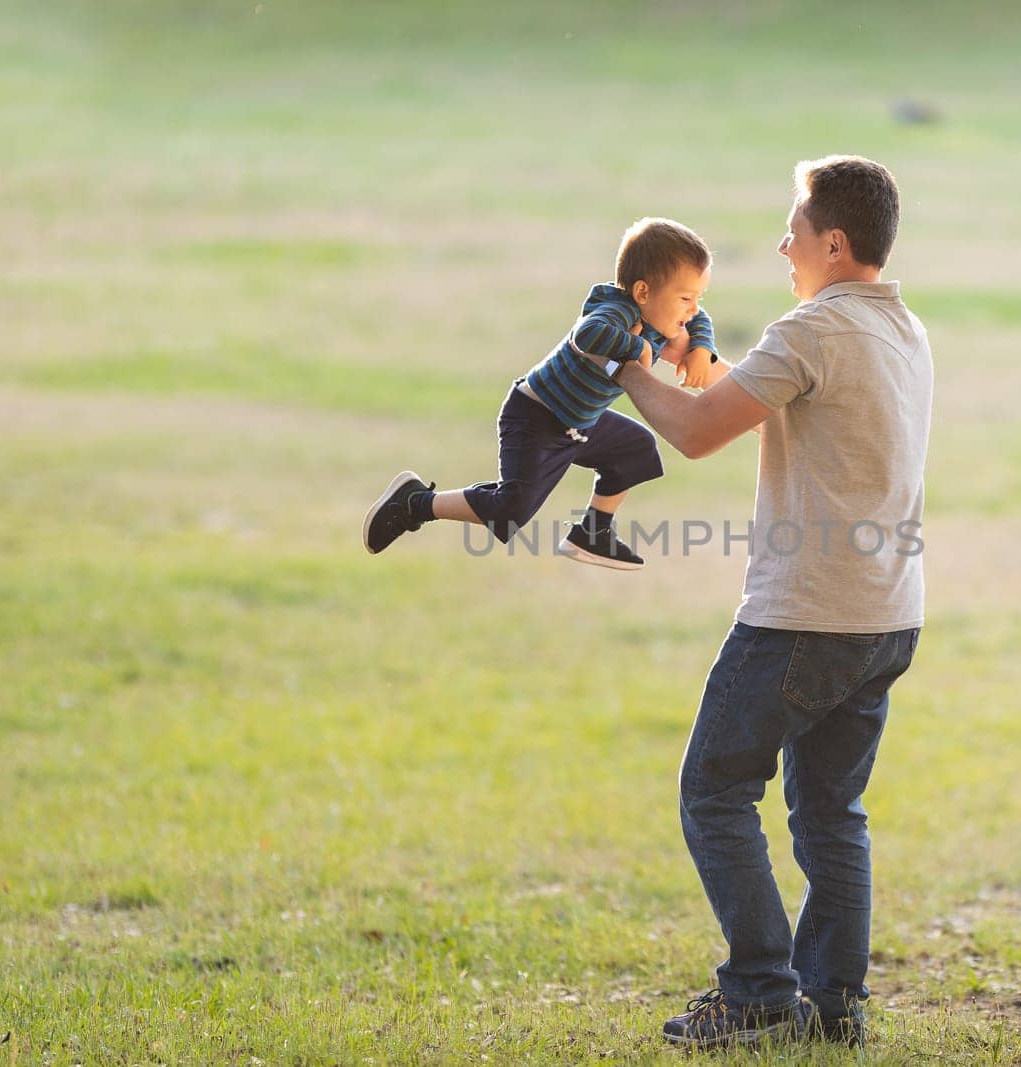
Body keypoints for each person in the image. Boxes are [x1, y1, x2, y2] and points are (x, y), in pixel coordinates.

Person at [588, 156, 932, 1048]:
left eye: (793, 228)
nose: (783, 244)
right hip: (886, 616)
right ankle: (833, 1005)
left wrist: (628, 366)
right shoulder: (901, 330)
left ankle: (757, 994)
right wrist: (702, 366)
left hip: (802, 616)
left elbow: (701, 433)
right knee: (830, 812)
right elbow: (765, 397)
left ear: (833, 240)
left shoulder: (810, 330)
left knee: (713, 789)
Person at [361, 218, 725, 569]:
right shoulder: (613, 308)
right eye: (685, 298)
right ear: (642, 291)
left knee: (636, 449)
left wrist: (699, 349)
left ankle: (593, 532)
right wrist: (636, 348)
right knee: (512, 510)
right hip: (538, 415)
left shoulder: (663, 312)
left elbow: (699, 320)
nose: (693, 309)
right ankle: (417, 503)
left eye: (697, 297)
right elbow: (586, 335)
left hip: (582, 421)